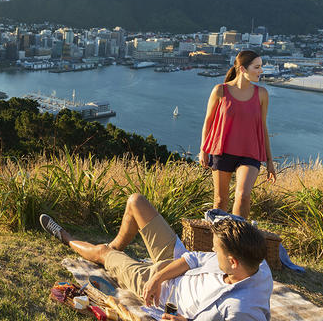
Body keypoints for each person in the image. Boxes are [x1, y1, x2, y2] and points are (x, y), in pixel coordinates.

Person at [41, 193, 272, 321]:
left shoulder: (242, 311)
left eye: (217, 252)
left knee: (103, 252)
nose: (213, 253)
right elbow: (192, 259)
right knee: (136, 202)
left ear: (232, 262)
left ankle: (67, 237)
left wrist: (153, 282)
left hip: (162, 294)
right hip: (171, 265)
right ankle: (112, 251)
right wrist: (159, 277)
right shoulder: (253, 259)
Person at [199, 50, 277, 218]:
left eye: (260, 67)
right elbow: (208, 122)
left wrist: (270, 161)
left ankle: (239, 241)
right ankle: (218, 242)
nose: (261, 71)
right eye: (257, 67)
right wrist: (203, 150)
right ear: (242, 69)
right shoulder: (220, 90)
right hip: (221, 151)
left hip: (250, 153)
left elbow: (263, 128)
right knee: (220, 201)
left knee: (243, 196)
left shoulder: (262, 94)